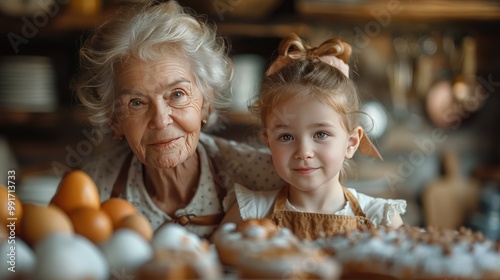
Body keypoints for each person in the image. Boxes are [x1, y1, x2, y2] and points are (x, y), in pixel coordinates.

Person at [71, 0, 312, 239]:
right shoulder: (93, 185)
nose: (161, 120)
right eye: (136, 102)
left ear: (206, 104)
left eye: (177, 94)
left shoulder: (264, 176)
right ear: (115, 120)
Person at [219, 33, 407, 240]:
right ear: (268, 142)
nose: (303, 152)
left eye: (321, 134)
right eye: (286, 137)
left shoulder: (380, 219)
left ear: (351, 143)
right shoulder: (250, 212)